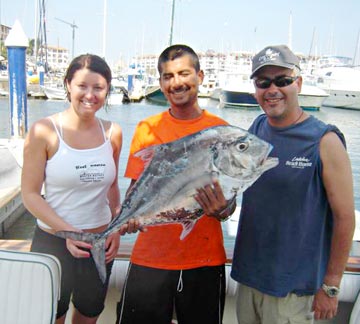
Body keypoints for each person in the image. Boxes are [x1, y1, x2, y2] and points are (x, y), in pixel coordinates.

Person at [231, 44, 355, 323]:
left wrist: (331, 285)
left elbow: (345, 218)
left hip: (292, 290)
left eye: (282, 80)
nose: (272, 89)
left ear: (298, 83)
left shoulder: (325, 140)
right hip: (248, 279)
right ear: (255, 89)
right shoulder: (257, 128)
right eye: (263, 82)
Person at [115, 44, 236, 324]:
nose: (176, 82)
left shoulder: (220, 131)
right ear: (160, 83)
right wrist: (128, 218)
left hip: (204, 261)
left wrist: (224, 209)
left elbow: (230, 198)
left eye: (184, 73)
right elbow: (135, 190)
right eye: (168, 76)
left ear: (200, 76)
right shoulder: (148, 128)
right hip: (150, 258)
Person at [21, 54, 125, 324]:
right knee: (50, 316)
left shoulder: (112, 132)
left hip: (98, 243)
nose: (90, 95)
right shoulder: (44, 131)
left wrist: (116, 227)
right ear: (68, 85)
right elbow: (30, 194)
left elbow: (112, 185)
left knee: (89, 315)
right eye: (82, 86)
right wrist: (66, 231)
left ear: (107, 91)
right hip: (54, 241)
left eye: (98, 88)